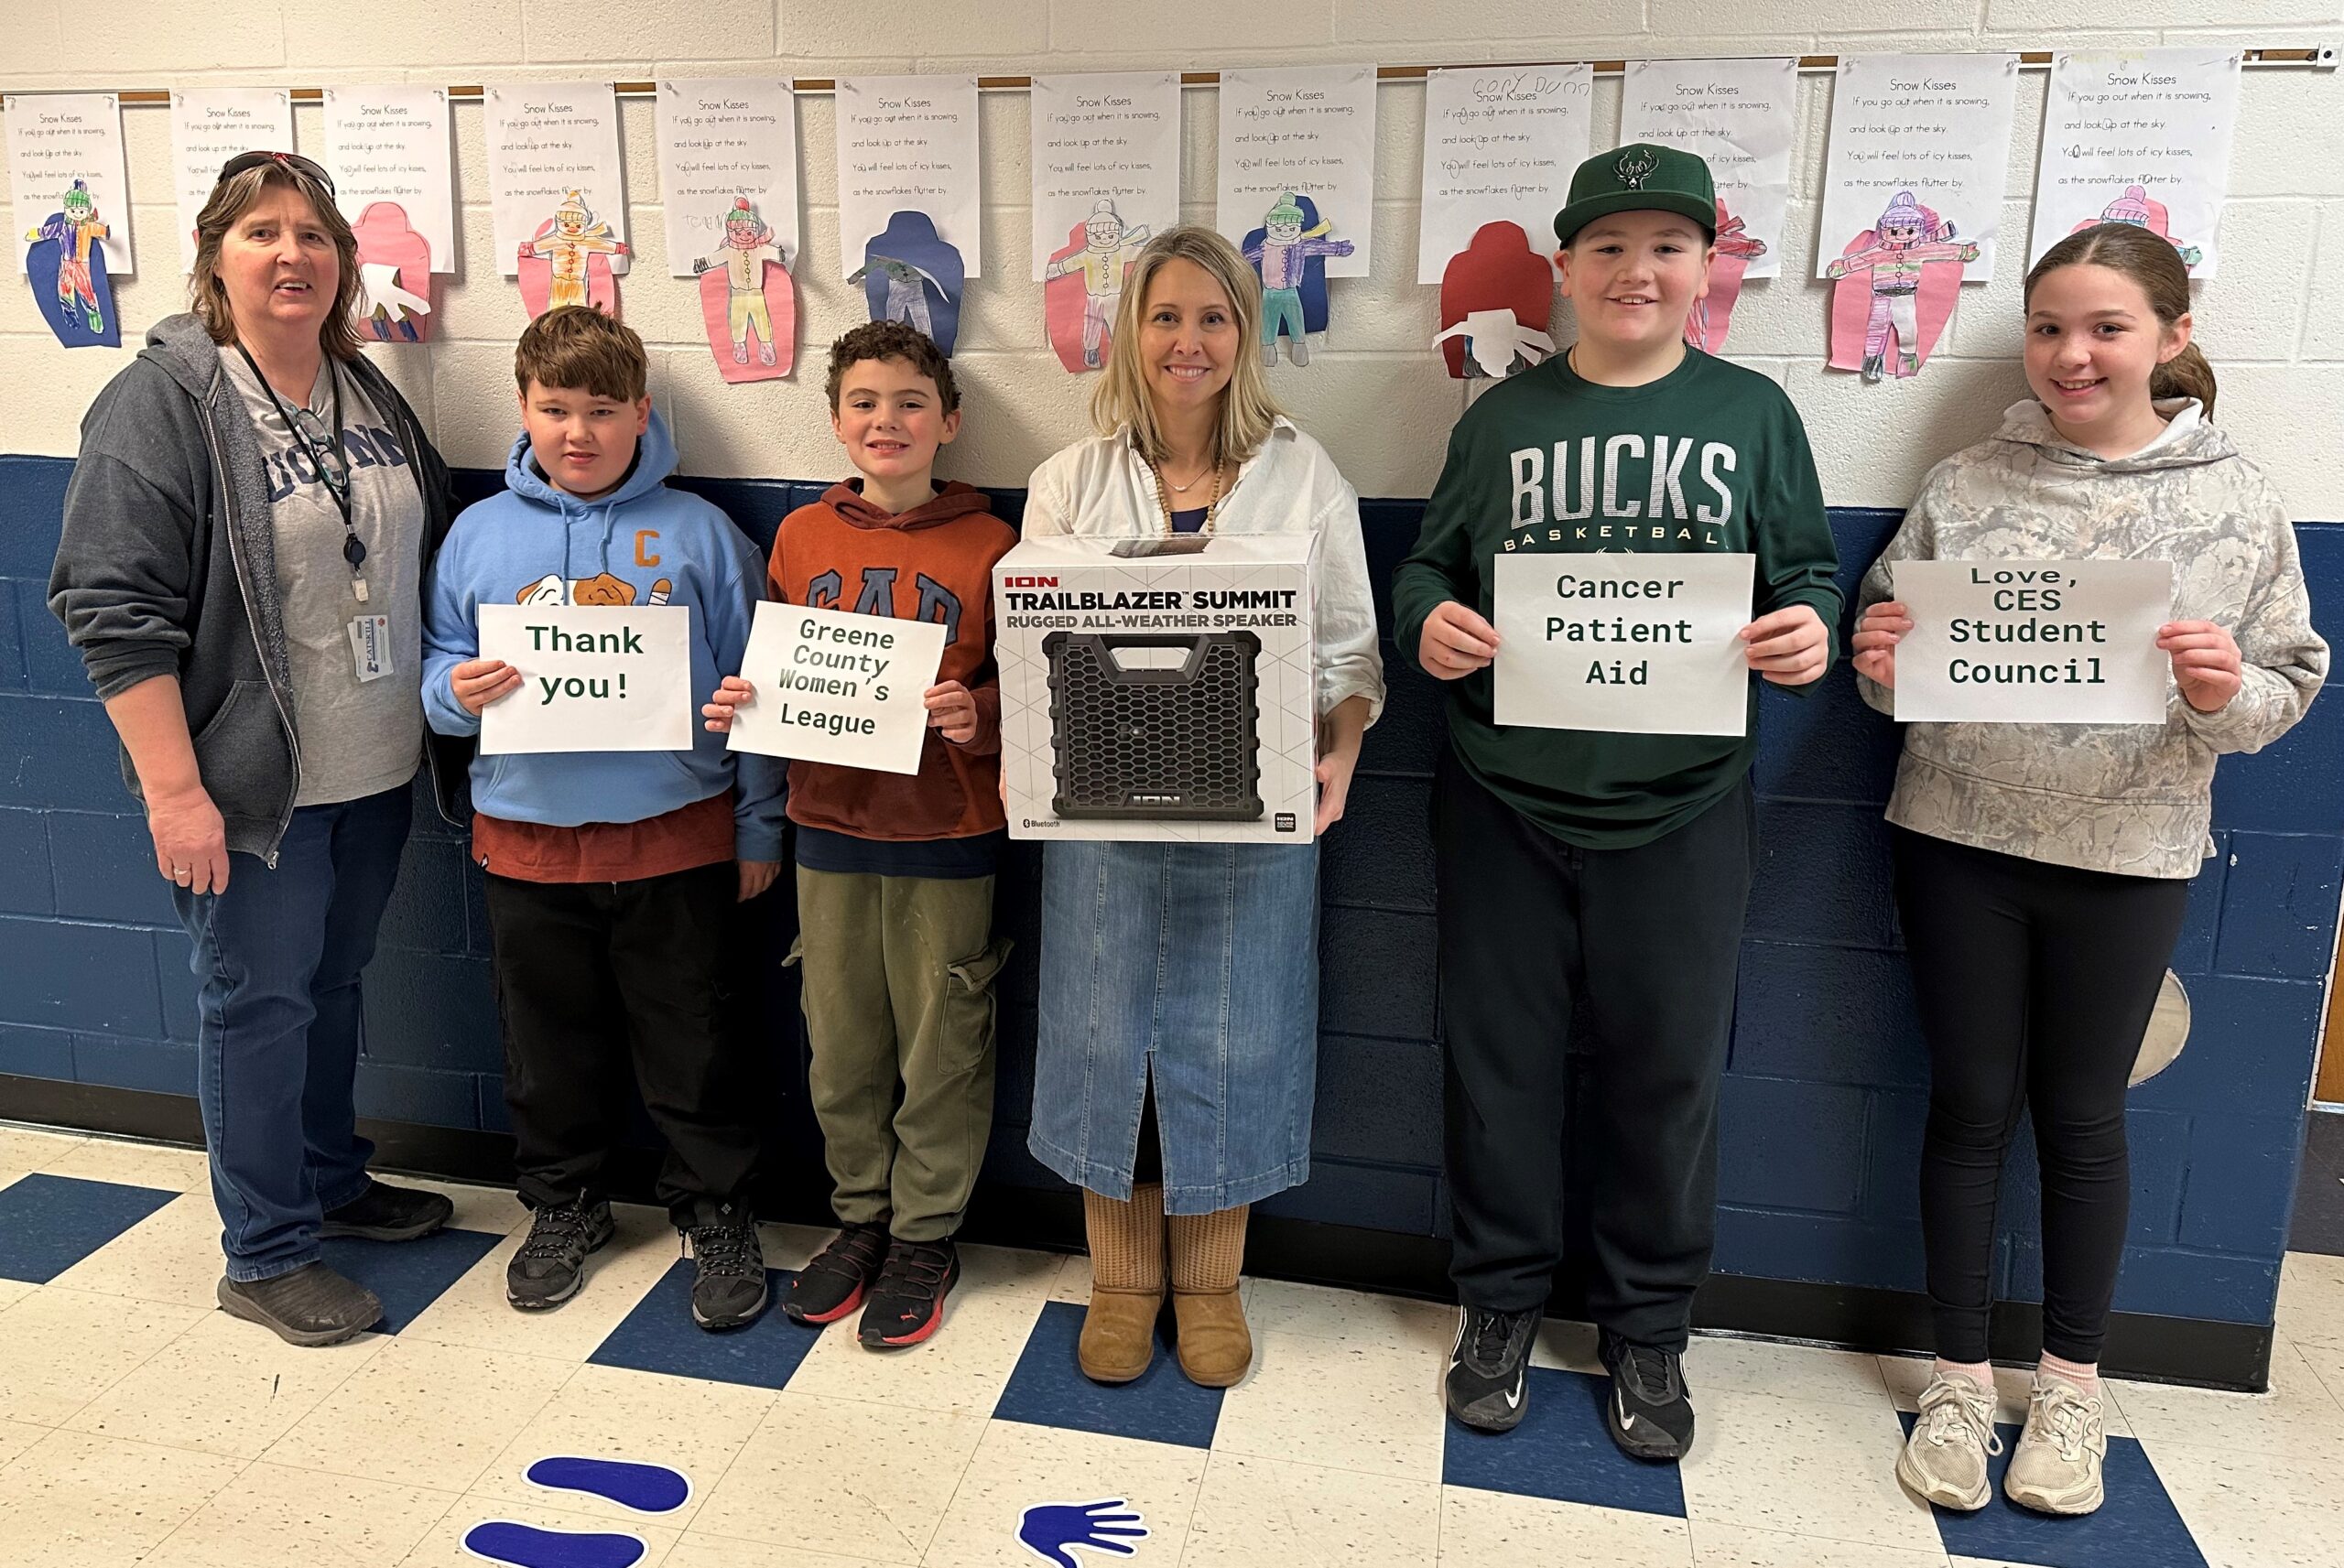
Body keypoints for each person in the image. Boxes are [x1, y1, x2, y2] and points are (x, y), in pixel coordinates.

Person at [1853, 222, 2325, 1516]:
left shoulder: (2238, 499)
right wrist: (1880, 662)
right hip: (1957, 838)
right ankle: (1957, 1381)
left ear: (2171, 336)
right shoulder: (1967, 482)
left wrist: (2225, 693)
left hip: (2128, 850)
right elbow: (1887, 653)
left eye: (2106, 327)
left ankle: (2068, 1387)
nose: (2072, 353)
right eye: (2049, 327)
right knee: (1966, 1106)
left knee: (2081, 1117)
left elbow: (2287, 679)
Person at [1392, 144, 1840, 1461]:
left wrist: (1808, 630)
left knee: (1668, 1074)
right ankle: (1498, 1304)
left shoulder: (1753, 414)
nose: (1635, 271)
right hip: (1504, 793)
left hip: (1684, 801)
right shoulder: (1501, 421)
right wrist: (1428, 625)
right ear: (1565, 267)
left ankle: (1647, 1326)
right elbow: (1427, 568)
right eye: (1607, 247)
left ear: (1707, 266)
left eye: (1666, 247)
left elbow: (1808, 576)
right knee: (1497, 1068)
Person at [49, 151, 461, 1346]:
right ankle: (267, 1251)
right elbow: (111, 609)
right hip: (249, 794)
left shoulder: (362, 387)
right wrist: (175, 794)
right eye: (262, 232)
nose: (292, 254)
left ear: (344, 261)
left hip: (372, 771)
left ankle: (327, 1178)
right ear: (213, 257)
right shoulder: (162, 402)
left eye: (314, 235)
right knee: (257, 1006)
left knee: (329, 989)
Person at [1021, 225, 1384, 1388]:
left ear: (1246, 333)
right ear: (1131, 330)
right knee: (1102, 1042)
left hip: (1253, 815)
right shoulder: (1070, 481)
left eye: (1213, 318)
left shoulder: (1302, 473)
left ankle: (1212, 1283)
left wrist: (1342, 756)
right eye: (1166, 316)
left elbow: (1348, 649)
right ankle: (1122, 1281)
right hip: (1103, 821)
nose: (1189, 341)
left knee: (1236, 1039)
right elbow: (1035, 647)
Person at [421, 306, 786, 1332]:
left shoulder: (702, 535)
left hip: (677, 839)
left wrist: (759, 825)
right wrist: (455, 694)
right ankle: (565, 1204)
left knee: (696, 1044)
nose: (577, 432)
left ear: (641, 413)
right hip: (527, 844)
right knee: (546, 1051)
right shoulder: (477, 535)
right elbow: (436, 665)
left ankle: (717, 1211)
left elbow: (761, 689)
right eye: (555, 409)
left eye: (601, 409)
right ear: (523, 410)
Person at [701, 321, 1016, 1347]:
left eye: (912, 403)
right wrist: (746, 701)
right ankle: (861, 1219)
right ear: (837, 421)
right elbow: (776, 669)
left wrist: (981, 713)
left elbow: (1032, 684)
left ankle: (926, 1234)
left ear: (949, 422)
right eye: (866, 403)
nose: (889, 421)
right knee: (841, 1047)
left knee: (942, 1045)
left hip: (947, 831)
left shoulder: (991, 545)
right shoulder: (801, 537)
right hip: (829, 830)